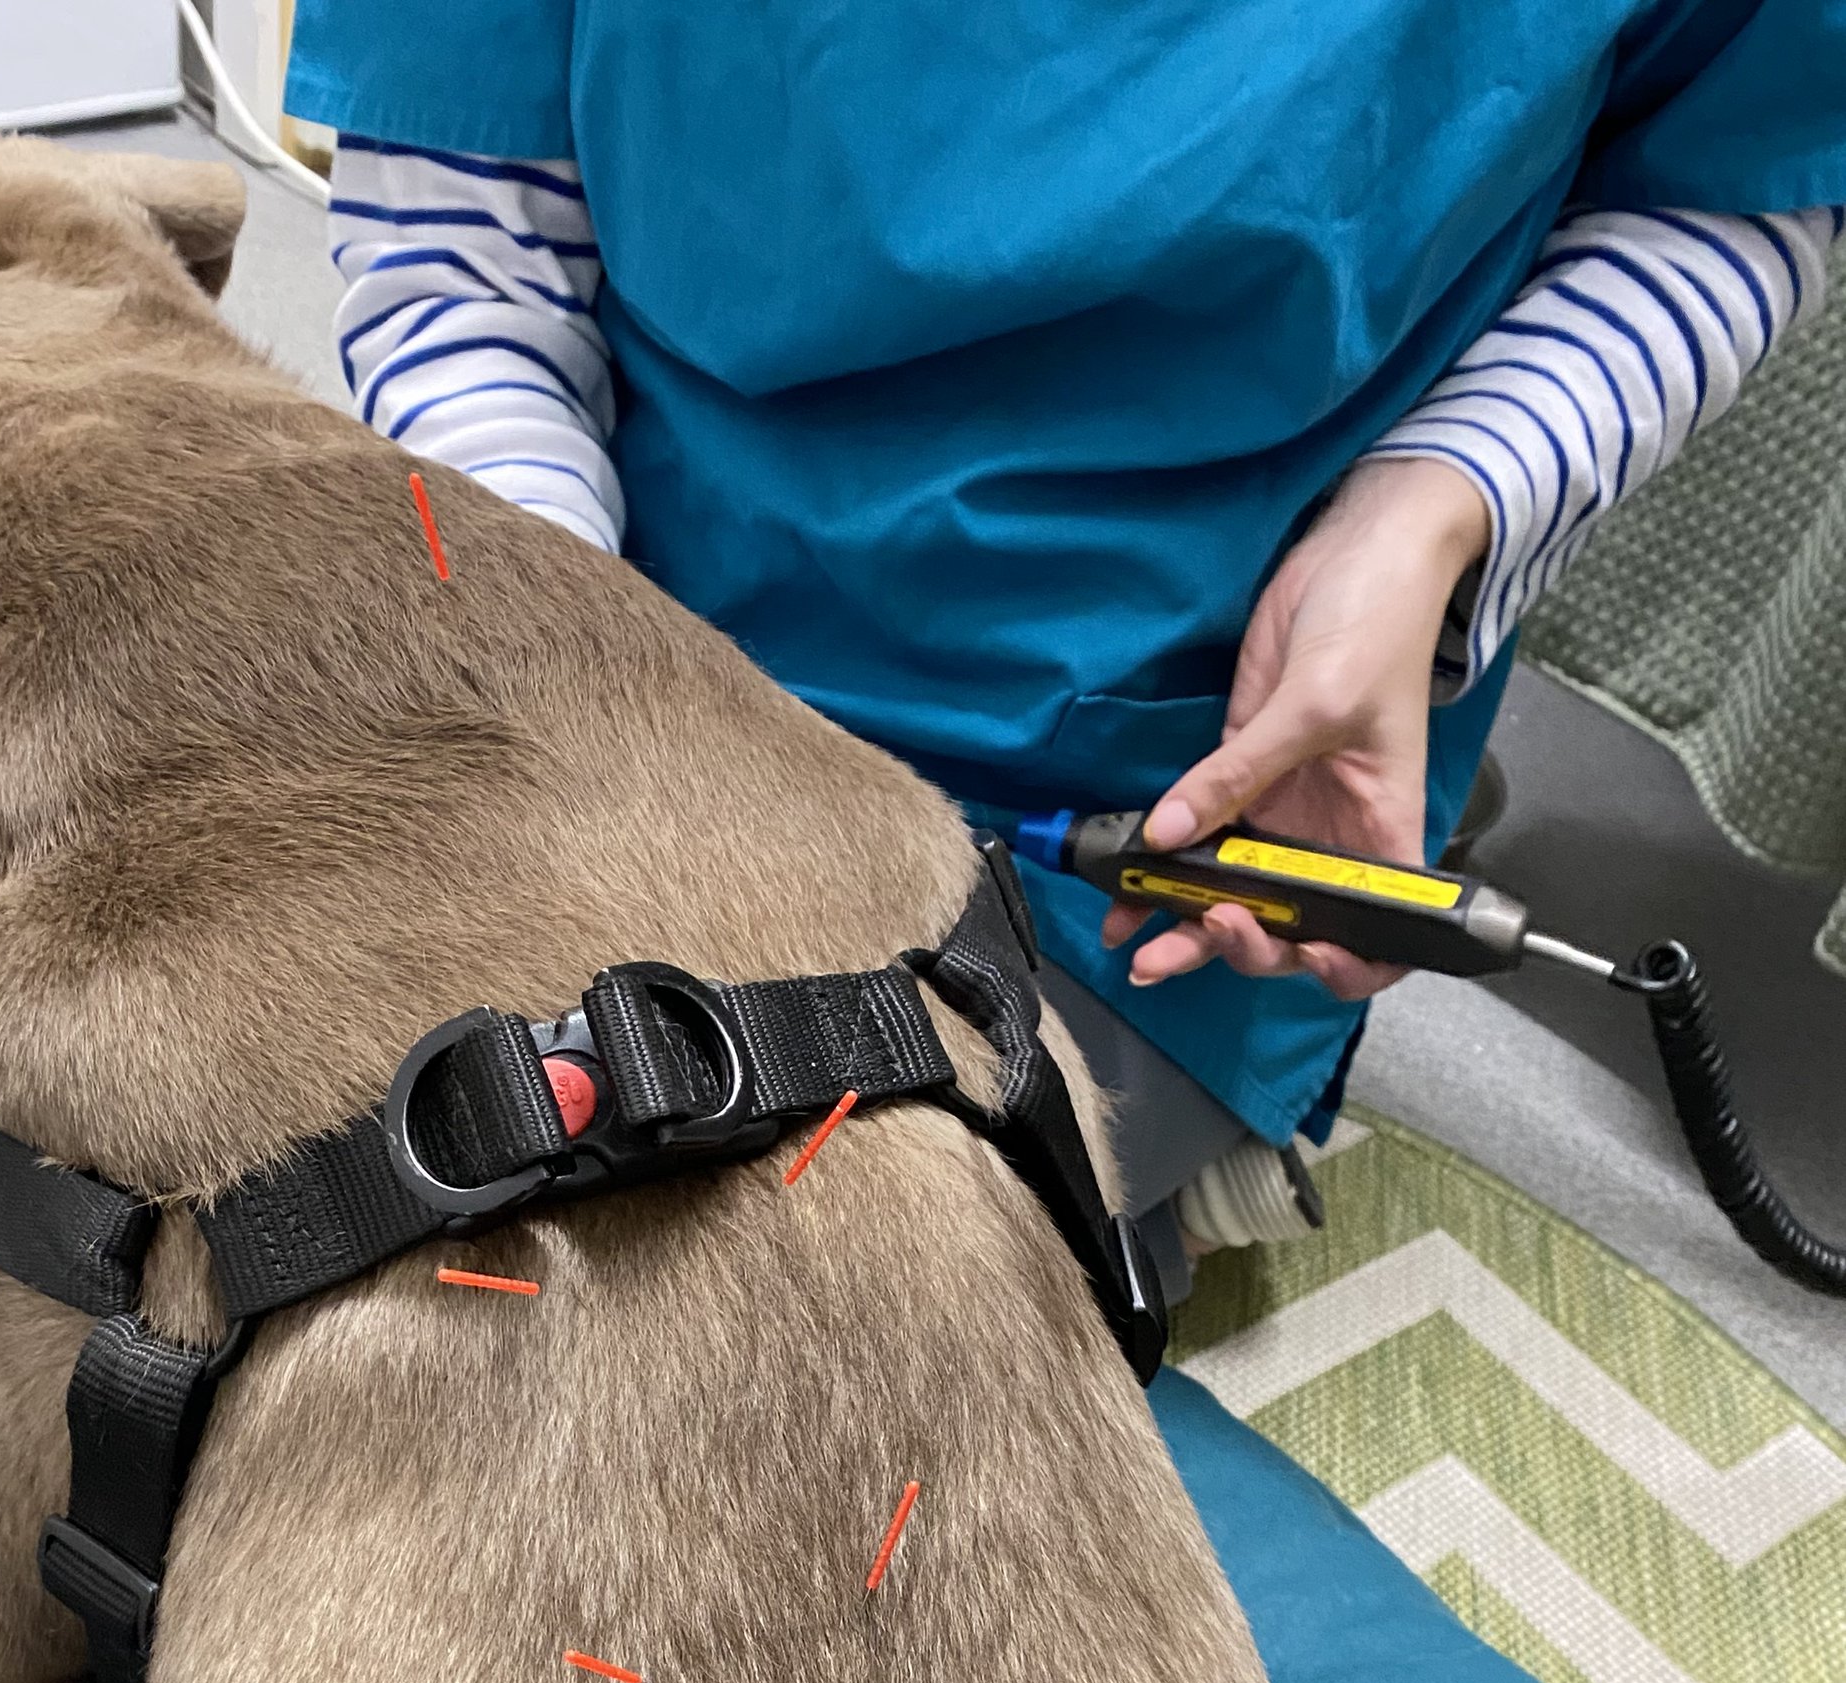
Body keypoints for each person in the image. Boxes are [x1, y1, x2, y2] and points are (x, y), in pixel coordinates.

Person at [280, 0, 1846, 1257]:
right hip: (620, 635)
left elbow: (1727, 178)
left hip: (1165, 775)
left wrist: (1438, 508)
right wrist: (575, 667)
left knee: (800, 1308)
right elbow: (459, 257)